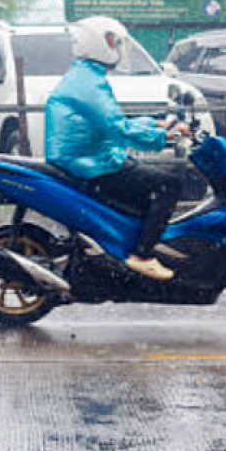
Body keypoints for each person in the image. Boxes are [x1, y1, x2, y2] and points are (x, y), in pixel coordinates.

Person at [44, 16, 190, 281]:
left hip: (91, 158)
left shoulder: (85, 77)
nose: (120, 49)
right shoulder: (89, 83)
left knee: (145, 185)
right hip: (90, 164)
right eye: (115, 42)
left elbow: (113, 120)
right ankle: (142, 255)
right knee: (169, 185)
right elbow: (118, 128)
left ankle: (123, 249)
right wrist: (161, 136)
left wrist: (158, 123)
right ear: (100, 43)